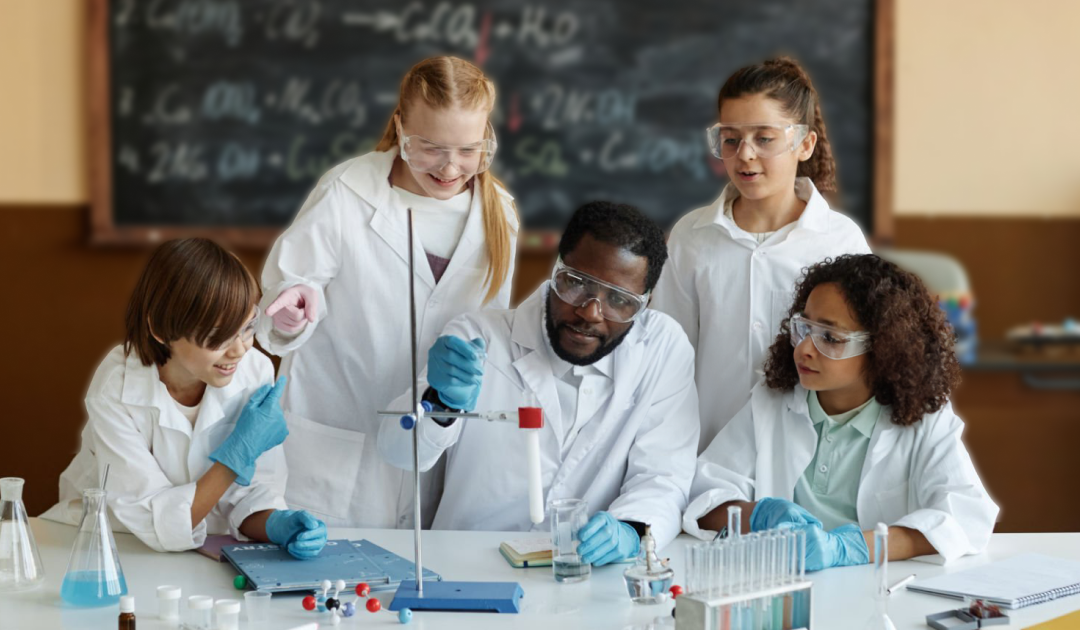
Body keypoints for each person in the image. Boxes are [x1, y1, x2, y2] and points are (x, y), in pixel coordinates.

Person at [256, 56, 519, 528]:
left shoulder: (499, 214)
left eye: (468, 150)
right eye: (430, 147)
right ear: (400, 127)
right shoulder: (347, 192)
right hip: (333, 458)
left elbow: (488, 339)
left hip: (432, 461)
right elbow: (288, 293)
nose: (450, 167)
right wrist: (290, 310)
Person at [378, 202, 699, 561]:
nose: (590, 313)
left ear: (645, 303)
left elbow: (663, 475)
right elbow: (398, 453)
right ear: (556, 270)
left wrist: (631, 529)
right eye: (576, 284)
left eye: (619, 300)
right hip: (467, 564)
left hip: (582, 569)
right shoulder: (480, 338)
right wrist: (440, 402)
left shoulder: (661, 349)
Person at [683, 254, 998, 569]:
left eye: (830, 338)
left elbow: (966, 516)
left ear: (883, 348)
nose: (804, 349)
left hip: (877, 582)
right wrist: (761, 515)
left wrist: (849, 548)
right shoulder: (772, 402)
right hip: (786, 579)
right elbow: (705, 496)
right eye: (804, 328)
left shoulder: (925, 419)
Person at [43, 238, 326, 559]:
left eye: (248, 327)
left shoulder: (254, 371)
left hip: (204, 547)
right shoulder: (116, 388)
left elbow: (250, 496)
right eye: (218, 337)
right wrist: (235, 458)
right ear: (161, 329)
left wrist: (277, 524)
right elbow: (154, 521)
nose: (239, 350)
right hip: (110, 542)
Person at [652, 57, 871, 451]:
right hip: (705, 451)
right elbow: (666, 355)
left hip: (807, 456)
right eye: (730, 139)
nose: (745, 154)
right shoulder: (691, 237)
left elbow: (857, 358)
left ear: (804, 144)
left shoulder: (839, 241)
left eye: (764, 138)